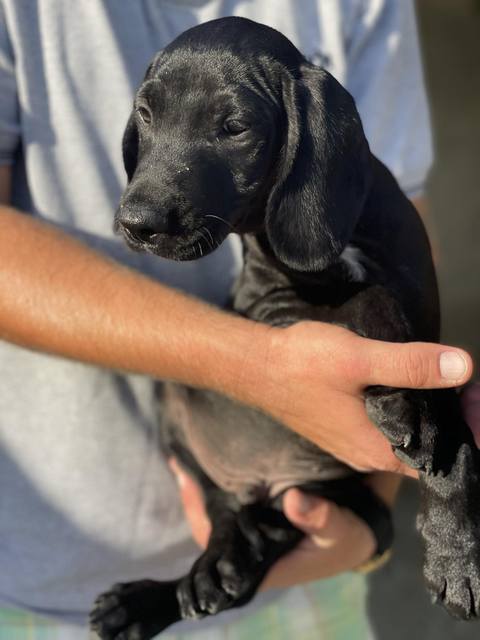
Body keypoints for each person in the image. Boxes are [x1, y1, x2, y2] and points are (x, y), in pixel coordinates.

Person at [0, 1, 475, 639]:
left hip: (314, 581)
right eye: (149, 115)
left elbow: (397, 258)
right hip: (39, 587)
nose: (140, 205)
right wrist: (254, 367)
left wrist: (370, 514)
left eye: (233, 127)